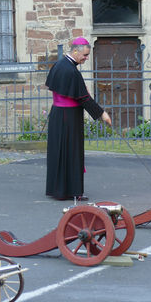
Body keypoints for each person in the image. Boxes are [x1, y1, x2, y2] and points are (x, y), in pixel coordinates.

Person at [45, 37, 111, 201]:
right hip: (69, 117)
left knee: (59, 152)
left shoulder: (59, 65)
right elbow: (83, 98)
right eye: (85, 55)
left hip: (58, 115)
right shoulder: (71, 71)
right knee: (72, 153)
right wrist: (102, 114)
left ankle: (58, 190)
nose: (86, 58)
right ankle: (72, 191)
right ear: (75, 51)